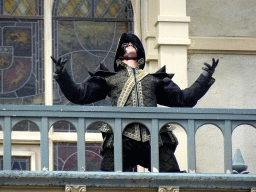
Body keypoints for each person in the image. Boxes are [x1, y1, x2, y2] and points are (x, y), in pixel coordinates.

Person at [51, 33, 219, 172]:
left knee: (174, 178)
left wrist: (204, 79)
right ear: (120, 54)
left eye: (132, 44)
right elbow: (80, 95)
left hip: (155, 139)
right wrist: (62, 76)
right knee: (105, 181)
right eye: (125, 44)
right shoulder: (109, 79)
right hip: (121, 139)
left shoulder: (154, 79)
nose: (129, 45)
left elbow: (183, 99)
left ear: (139, 51)